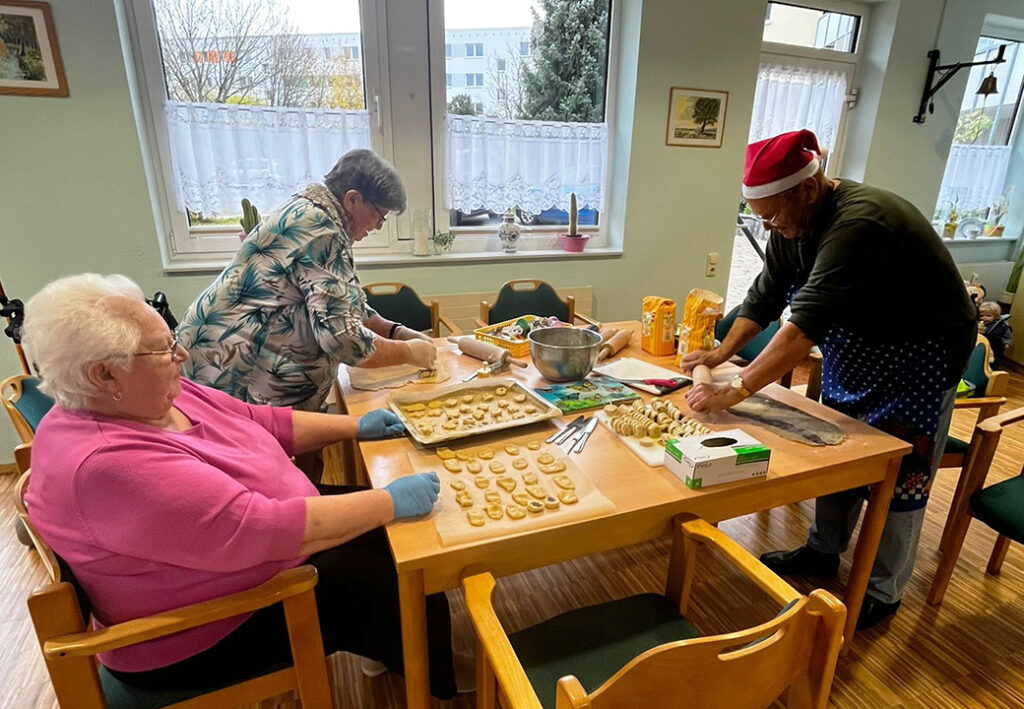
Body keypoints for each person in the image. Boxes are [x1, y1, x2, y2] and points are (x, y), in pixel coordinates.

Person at [21, 273, 460, 699]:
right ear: (104, 376)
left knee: (394, 537)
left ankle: (393, 647)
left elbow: (258, 420)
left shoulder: (148, 397)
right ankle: (441, 680)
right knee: (395, 565)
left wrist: (354, 427)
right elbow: (260, 529)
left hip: (258, 538)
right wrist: (387, 502)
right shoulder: (105, 466)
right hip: (197, 633)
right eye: (163, 350)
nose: (182, 356)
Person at [681, 130, 976, 630]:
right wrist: (721, 350)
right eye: (760, 217)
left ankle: (883, 591)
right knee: (837, 450)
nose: (770, 226)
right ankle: (822, 552)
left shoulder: (861, 222)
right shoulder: (789, 227)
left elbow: (802, 329)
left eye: (773, 215)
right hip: (858, 352)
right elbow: (765, 296)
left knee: (902, 472)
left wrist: (736, 389)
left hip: (918, 358)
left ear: (810, 189)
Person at [177, 149, 438, 414]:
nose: (379, 226)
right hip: (231, 368)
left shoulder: (313, 212)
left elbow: (343, 304)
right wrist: (408, 353)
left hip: (223, 356)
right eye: (380, 215)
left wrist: (395, 330)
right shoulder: (321, 230)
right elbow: (344, 340)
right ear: (353, 199)